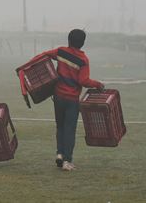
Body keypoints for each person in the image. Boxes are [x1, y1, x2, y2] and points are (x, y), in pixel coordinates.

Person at [24, 29, 104, 171]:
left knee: (60, 126)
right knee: (69, 129)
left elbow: (45, 55)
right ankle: (67, 160)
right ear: (83, 43)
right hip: (72, 99)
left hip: (58, 97)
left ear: (69, 40)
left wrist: (27, 66)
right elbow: (83, 80)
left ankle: (59, 154)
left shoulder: (61, 52)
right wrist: (98, 84)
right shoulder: (83, 60)